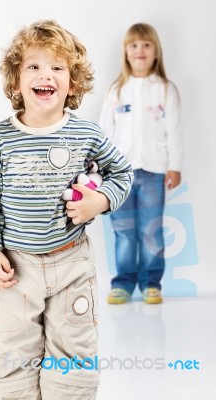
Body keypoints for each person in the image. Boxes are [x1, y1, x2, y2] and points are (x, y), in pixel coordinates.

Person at [0, 20, 133, 399]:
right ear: (16, 81)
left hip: (71, 263)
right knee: (14, 352)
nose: (46, 74)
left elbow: (122, 172)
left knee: (74, 352)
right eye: (34, 66)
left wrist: (102, 199)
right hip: (15, 267)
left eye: (58, 68)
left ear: (73, 83)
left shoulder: (87, 134)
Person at [99, 23, 183, 305]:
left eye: (146, 45)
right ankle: (123, 283)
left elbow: (174, 130)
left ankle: (151, 283)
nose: (140, 50)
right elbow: (104, 133)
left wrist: (175, 165)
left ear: (156, 51)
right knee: (123, 230)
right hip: (119, 175)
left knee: (151, 230)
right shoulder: (117, 90)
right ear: (125, 52)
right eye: (133, 45)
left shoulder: (165, 90)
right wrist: (100, 168)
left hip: (154, 172)